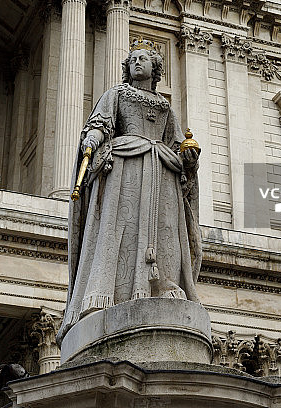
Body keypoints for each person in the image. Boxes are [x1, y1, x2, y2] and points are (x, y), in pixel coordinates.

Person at [57, 41, 201, 343]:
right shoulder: (116, 95)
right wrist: (93, 138)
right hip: (125, 168)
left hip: (162, 170)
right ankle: (107, 292)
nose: (137, 63)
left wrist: (189, 158)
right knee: (119, 226)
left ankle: (164, 284)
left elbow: (176, 143)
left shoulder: (165, 107)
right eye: (133, 59)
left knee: (165, 231)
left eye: (143, 59)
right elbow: (101, 124)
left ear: (155, 68)